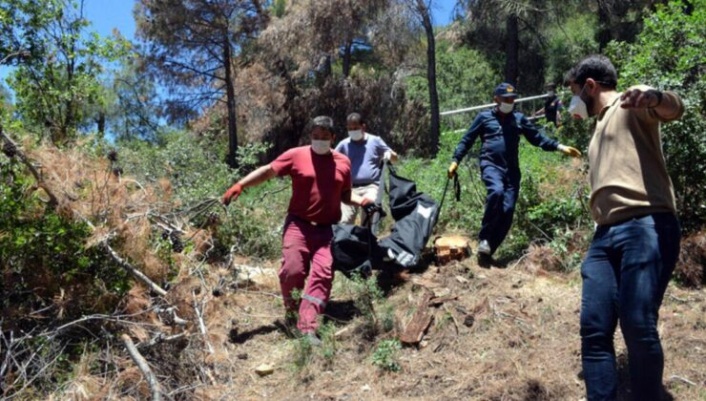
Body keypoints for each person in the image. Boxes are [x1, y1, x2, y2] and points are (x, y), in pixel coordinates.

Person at [565, 54, 684, 401]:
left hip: (646, 224)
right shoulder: (598, 126)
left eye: (575, 91)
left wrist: (656, 98)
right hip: (603, 237)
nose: (575, 100)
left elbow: (673, 108)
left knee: (637, 323)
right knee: (594, 329)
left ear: (590, 86)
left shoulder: (631, 101)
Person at [221, 116, 374, 345]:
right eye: (315, 136)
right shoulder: (296, 155)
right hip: (298, 225)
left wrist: (362, 201)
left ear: (333, 138)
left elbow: (344, 194)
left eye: (324, 137)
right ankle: (291, 315)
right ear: (310, 135)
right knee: (292, 271)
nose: (319, 140)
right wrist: (241, 184)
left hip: (326, 231)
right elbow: (268, 171)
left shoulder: (343, 162)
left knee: (322, 275)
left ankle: (308, 328)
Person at [447, 82, 581, 261]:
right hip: (491, 165)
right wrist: (456, 160)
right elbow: (467, 140)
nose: (510, 102)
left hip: (511, 171)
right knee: (496, 192)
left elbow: (537, 138)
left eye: (512, 99)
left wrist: (559, 146)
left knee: (508, 209)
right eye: (506, 99)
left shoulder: (518, 119)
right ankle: (484, 238)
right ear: (496, 99)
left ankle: (488, 251)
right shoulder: (484, 118)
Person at [335, 112, 398, 225]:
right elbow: (332, 159)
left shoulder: (375, 141)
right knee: (343, 222)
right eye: (350, 128)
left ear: (363, 126)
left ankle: (367, 241)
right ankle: (347, 241)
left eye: (356, 128)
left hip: (371, 187)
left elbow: (394, 158)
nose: (353, 131)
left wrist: (389, 154)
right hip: (350, 189)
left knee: (369, 217)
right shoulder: (344, 144)